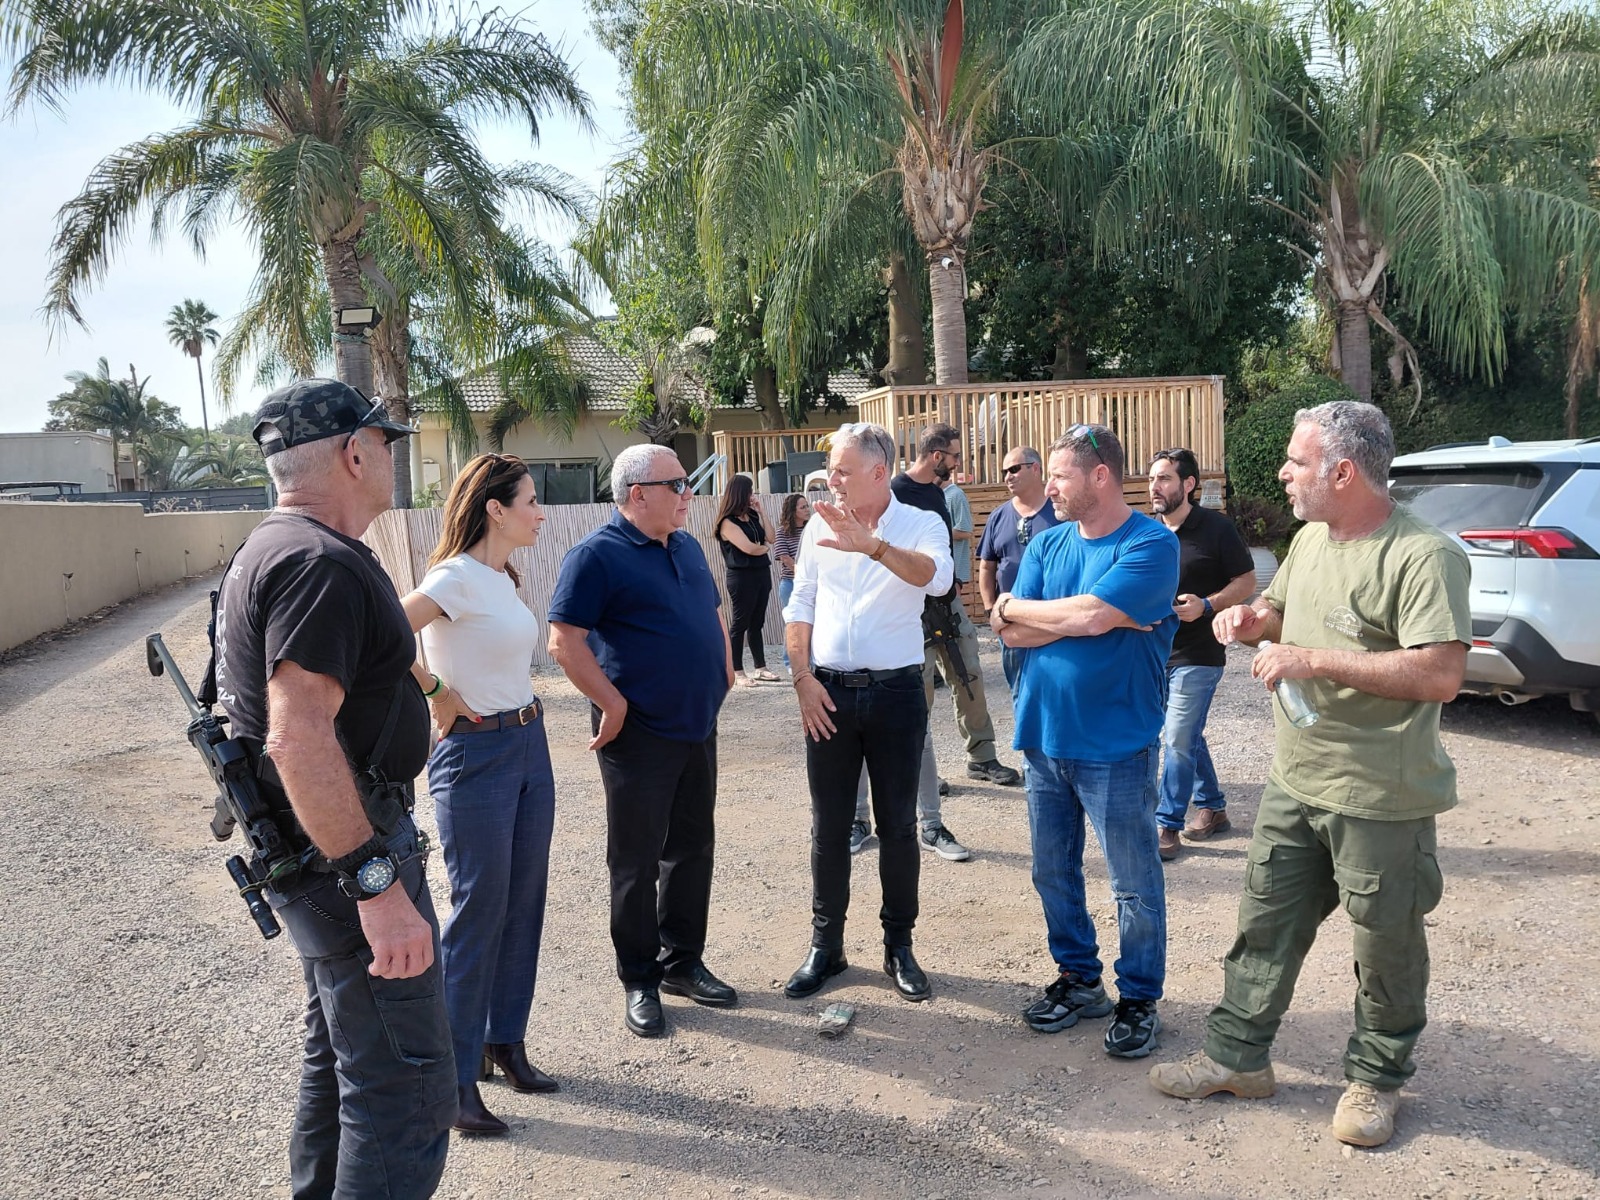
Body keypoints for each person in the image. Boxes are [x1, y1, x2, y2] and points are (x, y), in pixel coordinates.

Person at [1149, 401, 1470, 1150]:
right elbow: (1279, 609)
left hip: (1380, 794)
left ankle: (1377, 1079)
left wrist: (1311, 659)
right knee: (1263, 924)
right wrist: (1251, 620)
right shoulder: (1311, 541)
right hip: (1298, 780)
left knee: (1385, 943)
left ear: (1344, 471)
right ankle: (1237, 1059)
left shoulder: (1423, 555)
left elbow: (1441, 671)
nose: (1283, 473)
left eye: (1296, 461)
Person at [213, 378, 454, 1198]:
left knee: (344, 1062)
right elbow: (296, 731)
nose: (389, 455)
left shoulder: (271, 547)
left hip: (315, 857)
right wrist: (375, 884)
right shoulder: (318, 562)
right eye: (384, 442)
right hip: (345, 860)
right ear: (355, 453)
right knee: (405, 1089)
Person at [992, 423, 1179, 1060]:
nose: (1048, 488)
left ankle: (1138, 998)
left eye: (1060, 478)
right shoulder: (1046, 543)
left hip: (1116, 745)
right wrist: (1069, 616)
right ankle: (1079, 980)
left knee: (1132, 880)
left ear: (1101, 476)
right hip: (1044, 738)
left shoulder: (1151, 543)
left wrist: (1055, 614)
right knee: (1052, 871)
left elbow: (1087, 616)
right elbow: (1013, 631)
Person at [547, 444, 737, 1039]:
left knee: (692, 848)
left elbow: (712, 614)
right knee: (634, 861)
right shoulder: (594, 557)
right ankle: (640, 979)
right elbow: (564, 642)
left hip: (695, 726)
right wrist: (612, 703)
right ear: (637, 494)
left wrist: (724, 671)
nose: (690, 494)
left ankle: (683, 963)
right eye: (678, 484)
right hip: (639, 735)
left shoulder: (684, 545)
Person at [400, 453, 557, 1137]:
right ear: (495, 508)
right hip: (474, 757)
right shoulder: (456, 577)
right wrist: (435, 690)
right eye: (529, 500)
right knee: (477, 913)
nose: (539, 511)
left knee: (523, 903)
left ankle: (504, 1042)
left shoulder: (499, 577)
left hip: (528, 745)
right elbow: (385, 630)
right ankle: (456, 1082)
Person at [782, 422, 953, 1003]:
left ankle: (898, 946)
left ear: (879, 474)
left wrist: (872, 546)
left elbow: (937, 579)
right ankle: (825, 947)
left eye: (842, 470)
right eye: (832, 470)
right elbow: (800, 602)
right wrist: (801, 677)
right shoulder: (816, 530)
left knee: (899, 826)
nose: (831, 480)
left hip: (897, 694)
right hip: (826, 691)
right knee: (829, 827)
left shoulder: (921, 523)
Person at [1146, 448, 1258, 862]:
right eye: (1153, 479)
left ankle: (1166, 825)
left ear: (1188, 485)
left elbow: (1246, 581)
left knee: (1176, 736)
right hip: (1154, 652)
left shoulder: (1216, 528)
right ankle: (1213, 806)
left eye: (1164, 479)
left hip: (1200, 651)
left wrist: (1208, 605)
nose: (1154, 487)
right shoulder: (1147, 531)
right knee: (1183, 733)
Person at [977, 445, 1061, 691]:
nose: (1007, 477)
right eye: (1004, 471)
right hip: (1011, 621)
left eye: (1014, 469)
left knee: (1054, 690)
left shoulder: (1060, 513)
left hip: (1053, 620)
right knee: (1019, 691)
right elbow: (986, 567)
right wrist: (990, 609)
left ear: (1035, 468)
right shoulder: (998, 516)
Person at [714, 473, 780, 685]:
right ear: (741, 493)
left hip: (761, 573)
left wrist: (762, 513)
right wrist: (763, 549)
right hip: (741, 576)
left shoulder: (751, 516)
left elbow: (771, 537)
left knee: (757, 622)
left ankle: (760, 667)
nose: (752, 495)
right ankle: (737, 670)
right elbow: (749, 548)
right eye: (750, 491)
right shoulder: (727, 522)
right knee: (740, 623)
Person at [772, 493, 811, 669]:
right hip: (791, 583)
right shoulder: (783, 532)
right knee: (793, 622)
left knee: (812, 622)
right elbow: (785, 557)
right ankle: (790, 662)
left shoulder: (811, 530)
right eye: (802, 507)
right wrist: (802, 574)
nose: (807, 510)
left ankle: (810, 661)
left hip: (811, 583)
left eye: (807, 506)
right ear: (792, 511)